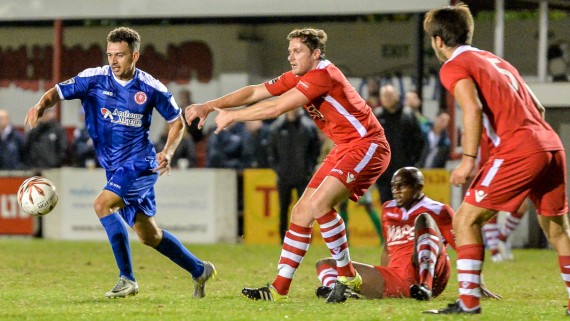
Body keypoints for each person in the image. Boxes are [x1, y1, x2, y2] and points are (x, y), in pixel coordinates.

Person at [186, 28, 391, 303]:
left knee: (319, 206)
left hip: (368, 144)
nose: (291, 57)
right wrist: (210, 105)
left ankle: (347, 275)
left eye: (297, 51)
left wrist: (233, 116)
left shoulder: (322, 75)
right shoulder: (300, 75)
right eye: (290, 51)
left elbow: (275, 108)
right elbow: (256, 91)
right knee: (301, 213)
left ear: (315, 54)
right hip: (345, 147)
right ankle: (279, 288)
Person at [24, 27, 216, 299]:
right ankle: (199, 269)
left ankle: (127, 279)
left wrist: (169, 152)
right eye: (110, 55)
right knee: (149, 236)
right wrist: (40, 107)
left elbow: (177, 122)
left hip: (140, 162)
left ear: (135, 55)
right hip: (114, 167)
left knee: (102, 204)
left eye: (120, 55)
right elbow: (56, 91)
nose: (113, 61)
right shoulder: (94, 78)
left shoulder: (150, 87)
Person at [424, 3, 570, 315]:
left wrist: (467, 159)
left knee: (465, 220)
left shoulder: (453, 66)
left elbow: (472, 108)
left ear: (438, 41)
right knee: (558, 231)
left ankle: (468, 303)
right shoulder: (496, 60)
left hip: (520, 148)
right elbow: (540, 109)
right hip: (550, 144)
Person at [315, 167, 456, 301]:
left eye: (402, 186)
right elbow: (387, 250)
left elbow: (463, 246)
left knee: (423, 219)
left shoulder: (439, 210)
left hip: (430, 276)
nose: (396, 190)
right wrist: (381, 274)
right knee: (325, 263)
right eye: (394, 186)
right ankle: (335, 289)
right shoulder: (388, 209)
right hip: (397, 278)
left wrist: (475, 284)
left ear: (418, 187)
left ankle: (425, 287)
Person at [267, 108, 321, 242]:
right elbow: (271, 152)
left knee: (305, 211)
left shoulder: (308, 127)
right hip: (284, 176)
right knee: (283, 209)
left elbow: (315, 150)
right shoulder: (277, 127)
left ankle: (305, 240)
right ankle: (283, 240)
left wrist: (308, 168)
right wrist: (278, 169)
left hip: (303, 177)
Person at [375, 84, 424, 203]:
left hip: (406, 172)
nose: (388, 98)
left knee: (408, 207)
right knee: (388, 208)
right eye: (385, 96)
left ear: (397, 96)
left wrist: (414, 162)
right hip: (384, 175)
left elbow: (419, 141)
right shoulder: (376, 116)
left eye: (390, 95)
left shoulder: (408, 114)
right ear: (381, 99)